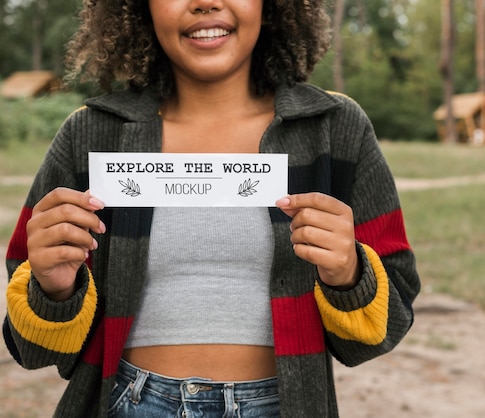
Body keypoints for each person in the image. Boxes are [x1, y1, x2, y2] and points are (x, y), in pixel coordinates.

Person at [3, 1, 420, 417]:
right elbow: (32, 350)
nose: (206, 2)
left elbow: (387, 326)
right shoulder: (90, 135)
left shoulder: (335, 128)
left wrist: (349, 276)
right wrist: (54, 289)